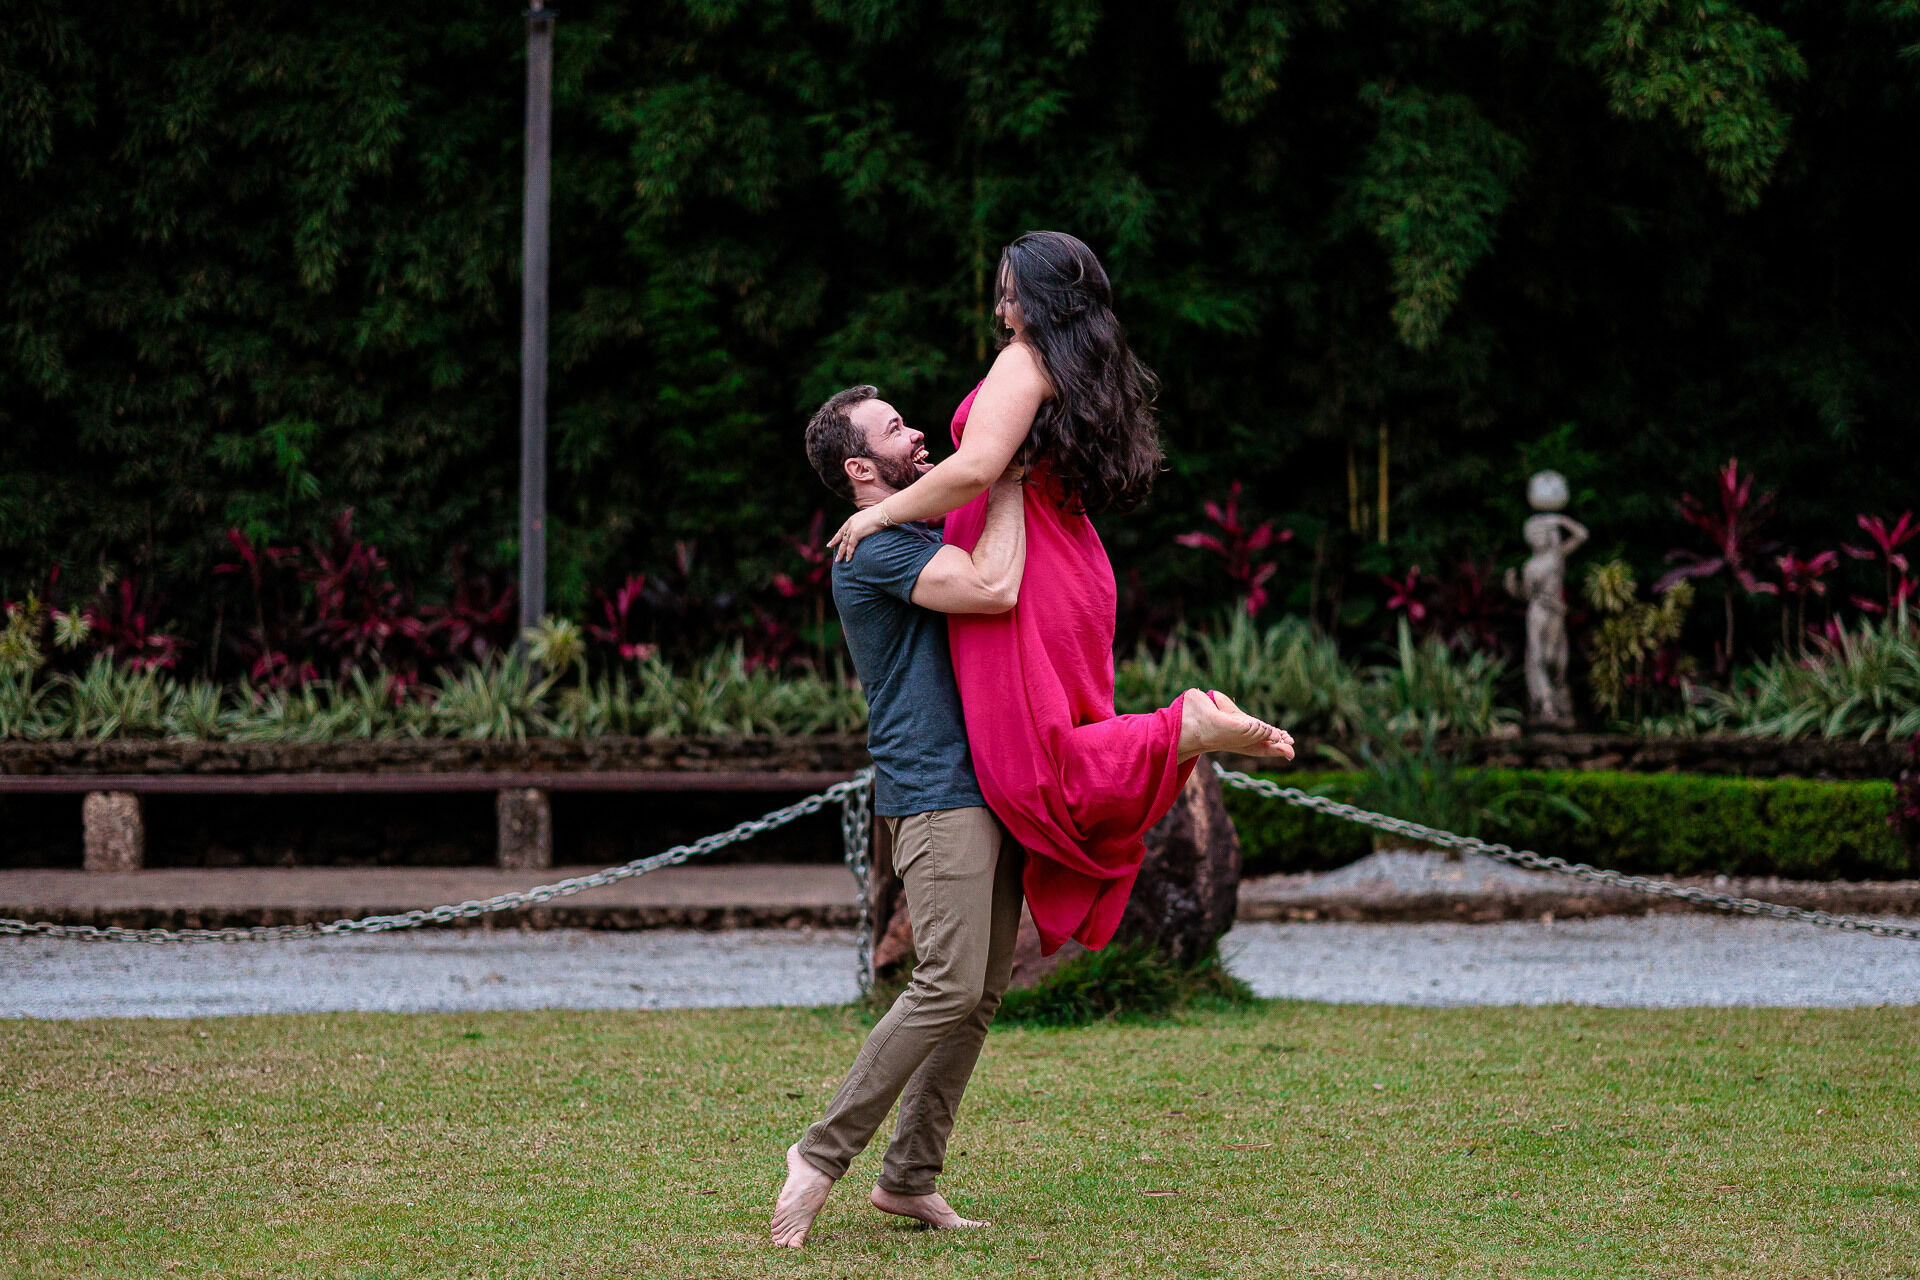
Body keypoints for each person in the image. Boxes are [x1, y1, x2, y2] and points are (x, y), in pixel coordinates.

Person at [829, 230, 1295, 957]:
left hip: (1029, 574)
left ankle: (1183, 729)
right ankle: (1179, 732)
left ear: (1043, 298)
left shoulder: (1023, 359)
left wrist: (881, 510)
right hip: (1063, 565)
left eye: (1013, 290)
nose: (1004, 305)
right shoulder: (1064, 361)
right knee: (1051, 750)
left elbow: (979, 465)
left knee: (1029, 771)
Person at [771, 385, 1029, 1247]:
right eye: (894, 429)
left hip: (984, 784)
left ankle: (909, 1180)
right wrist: (1010, 480)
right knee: (948, 982)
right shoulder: (870, 548)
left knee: (981, 992)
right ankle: (819, 1154)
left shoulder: (914, 528)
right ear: (859, 467)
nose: (916, 431)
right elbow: (992, 588)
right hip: (935, 792)